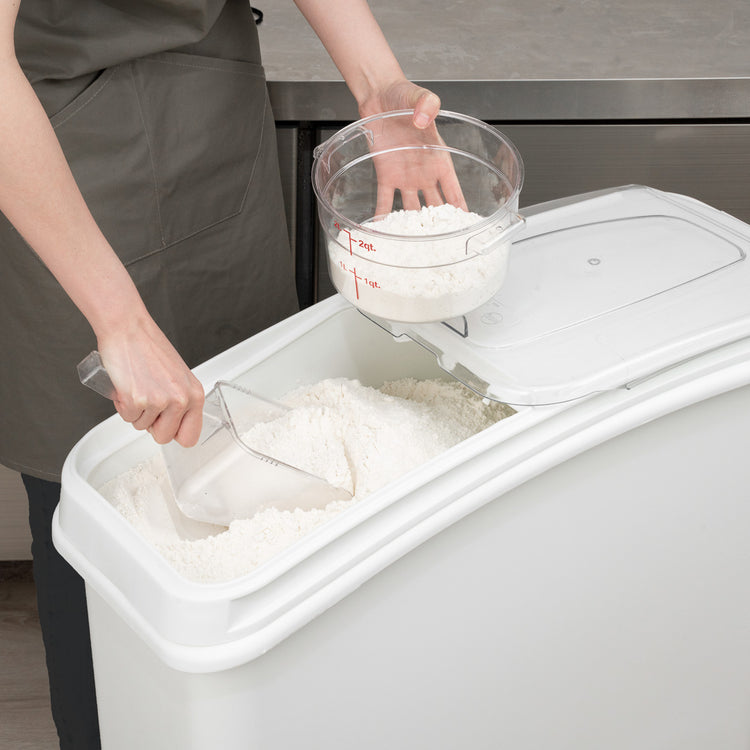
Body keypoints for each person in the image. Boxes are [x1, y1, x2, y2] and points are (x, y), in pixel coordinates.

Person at [0, 1, 450, 747]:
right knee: (98, 494)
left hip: (212, 106)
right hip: (47, 149)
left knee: (256, 441)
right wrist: (120, 320)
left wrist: (378, 84)